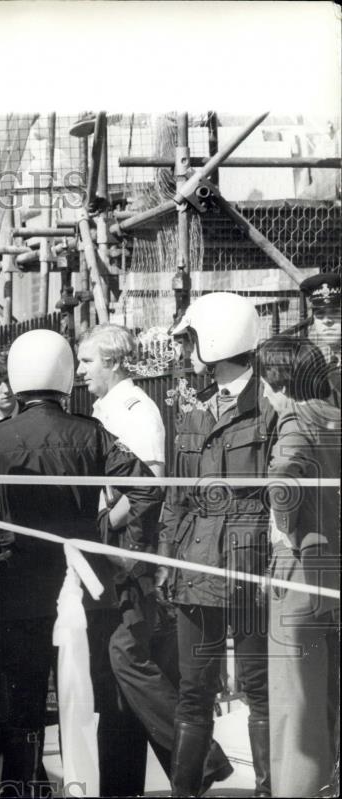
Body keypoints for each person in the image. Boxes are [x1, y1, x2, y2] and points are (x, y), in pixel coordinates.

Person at [0, 328, 163, 798]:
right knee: (83, 702)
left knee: (22, 706)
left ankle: (23, 790)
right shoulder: (90, 432)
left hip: (17, 588)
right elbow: (148, 488)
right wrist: (109, 540)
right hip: (82, 588)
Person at [76, 324, 233, 796]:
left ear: (112, 362)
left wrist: (102, 529)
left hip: (130, 555)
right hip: (114, 557)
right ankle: (136, 782)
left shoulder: (136, 410)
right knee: (120, 675)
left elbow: (148, 486)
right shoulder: (107, 407)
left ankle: (202, 759)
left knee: (126, 657)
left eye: (87, 361)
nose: (80, 371)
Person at [158, 292, 278, 797]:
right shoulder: (196, 412)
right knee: (194, 691)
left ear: (215, 341)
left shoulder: (270, 407)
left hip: (251, 563)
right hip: (196, 564)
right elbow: (177, 498)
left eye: (191, 341)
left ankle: (270, 790)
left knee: (260, 687)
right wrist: (164, 561)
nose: (187, 353)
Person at [257, 336, 340, 797]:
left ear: (280, 384)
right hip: (332, 564)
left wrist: (287, 528)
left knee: (295, 701)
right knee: (326, 694)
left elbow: (283, 484)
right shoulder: (335, 415)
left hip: (300, 567)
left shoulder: (294, 420)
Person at [292, 272, 341, 407]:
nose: (327, 320)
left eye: (335, 312)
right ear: (314, 321)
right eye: (320, 315)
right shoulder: (330, 367)